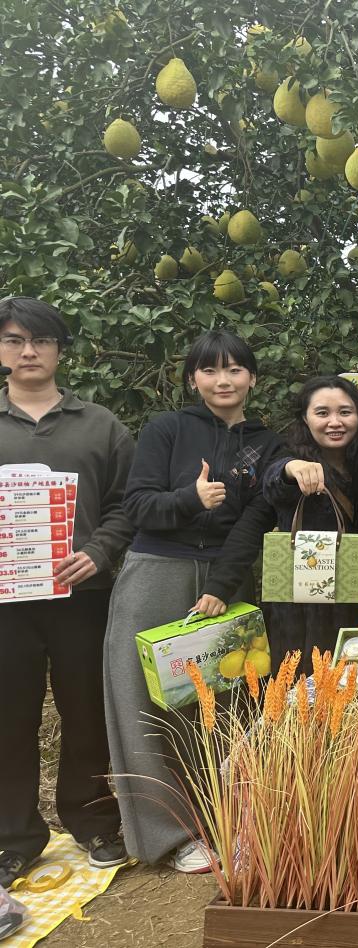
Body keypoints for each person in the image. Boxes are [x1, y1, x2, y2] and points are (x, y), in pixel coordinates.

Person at [103, 329, 282, 873]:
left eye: (234, 369)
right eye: (210, 370)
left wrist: (222, 586)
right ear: (192, 379)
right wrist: (190, 498)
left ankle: (230, 821)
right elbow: (137, 506)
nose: (223, 380)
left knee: (227, 702)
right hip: (156, 571)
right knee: (142, 700)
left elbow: (256, 520)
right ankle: (168, 834)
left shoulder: (268, 444)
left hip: (224, 581)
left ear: (253, 378)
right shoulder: (167, 429)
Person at [0, 298, 135, 887]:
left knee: (86, 711)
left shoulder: (100, 425)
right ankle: (13, 837)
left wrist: (100, 550)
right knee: (9, 718)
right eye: (14, 340)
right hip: (6, 601)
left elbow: (127, 503)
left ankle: (95, 822)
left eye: (41, 340)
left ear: (60, 349)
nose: (28, 351)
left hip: (83, 595)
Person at [262, 376, 358, 674]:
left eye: (345, 412)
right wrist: (292, 469)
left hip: (357, 593)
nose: (335, 422)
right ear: (305, 418)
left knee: (355, 681)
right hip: (304, 604)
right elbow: (273, 482)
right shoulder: (292, 458)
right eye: (322, 413)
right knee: (302, 685)